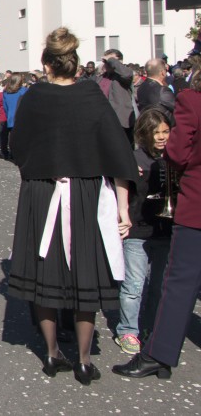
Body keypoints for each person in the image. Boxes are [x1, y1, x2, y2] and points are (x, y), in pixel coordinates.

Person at [5, 28, 136, 386]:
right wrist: (124, 207)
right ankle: (83, 360)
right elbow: (117, 150)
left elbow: (17, 147)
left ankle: (51, 353)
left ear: (47, 64)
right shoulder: (91, 95)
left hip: (41, 190)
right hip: (84, 191)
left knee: (43, 275)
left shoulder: (34, 96)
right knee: (84, 275)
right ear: (75, 64)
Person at [114, 66, 201, 380]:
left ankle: (158, 354)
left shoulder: (192, 100)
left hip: (196, 206)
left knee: (179, 284)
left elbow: (176, 152)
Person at [112, 108, 172, 355]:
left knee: (159, 286)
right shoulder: (134, 157)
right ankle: (127, 330)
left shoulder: (173, 156)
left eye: (165, 131)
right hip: (138, 228)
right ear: (145, 133)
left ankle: (151, 328)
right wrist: (123, 214)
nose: (162, 137)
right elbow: (119, 181)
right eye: (156, 132)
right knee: (134, 285)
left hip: (165, 230)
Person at [94, 49, 136, 146]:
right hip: (104, 122)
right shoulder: (101, 78)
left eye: (110, 61)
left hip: (121, 123)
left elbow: (127, 74)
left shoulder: (124, 76)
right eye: (105, 62)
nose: (107, 64)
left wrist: (111, 60)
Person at [0, 73, 26, 160]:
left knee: (12, 138)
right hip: (22, 117)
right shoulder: (24, 91)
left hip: (10, 117)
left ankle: (13, 154)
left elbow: (5, 107)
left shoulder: (6, 92)